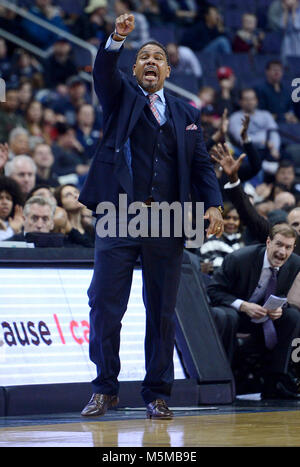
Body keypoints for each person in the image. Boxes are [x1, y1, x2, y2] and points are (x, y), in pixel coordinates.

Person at [79, 13, 224, 420]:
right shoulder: (120, 96)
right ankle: (105, 389)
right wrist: (116, 39)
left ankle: (157, 393)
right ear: (135, 65)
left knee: (161, 312)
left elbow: (201, 167)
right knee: (105, 307)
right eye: (143, 56)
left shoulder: (186, 113)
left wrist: (213, 204)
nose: (150, 61)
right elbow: (104, 71)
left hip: (168, 220)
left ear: (168, 69)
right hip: (118, 216)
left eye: (157, 57)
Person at [208, 222, 300, 399]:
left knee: (292, 316)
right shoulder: (239, 259)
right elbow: (213, 290)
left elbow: (284, 295)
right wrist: (243, 305)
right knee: (230, 316)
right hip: (237, 312)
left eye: (288, 247)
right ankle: (224, 380)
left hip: (265, 316)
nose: (282, 252)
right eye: (279, 244)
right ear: (268, 242)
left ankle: (276, 381)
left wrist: (280, 308)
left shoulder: (294, 263)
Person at [228, 88, 281, 159]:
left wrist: (275, 148)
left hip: (270, 149)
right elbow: (240, 139)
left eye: (252, 99)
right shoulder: (234, 118)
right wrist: (263, 142)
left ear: (256, 100)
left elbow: (274, 132)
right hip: (247, 151)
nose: (250, 102)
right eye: (246, 99)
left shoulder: (266, 114)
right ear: (240, 101)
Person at [199, 202, 244, 276]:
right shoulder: (211, 240)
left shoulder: (242, 242)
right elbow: (215, 269)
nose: (231, 222)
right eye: (227, 218)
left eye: (235, 219)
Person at [0, 175, 24, 241]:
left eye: (8, 198)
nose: (5, 202)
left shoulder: (19, 224)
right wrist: (11, 230)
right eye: (0, 198)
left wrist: (17, 231)